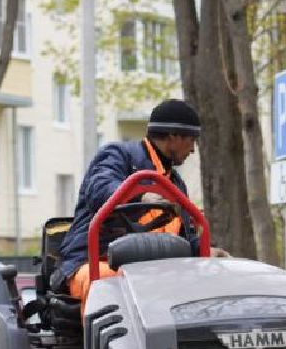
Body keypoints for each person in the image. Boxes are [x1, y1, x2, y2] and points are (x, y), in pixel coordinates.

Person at [53, 98, 207, 300]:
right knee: (109, 285)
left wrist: (206, 249)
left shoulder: (176, 184)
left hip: (152, 271)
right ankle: (109, 332)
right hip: (97, 262)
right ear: (173, 136)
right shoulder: (118, 156)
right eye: (191, 140)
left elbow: (183, 236)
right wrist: (141, 196)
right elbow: (99, 189)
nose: (193, 149)